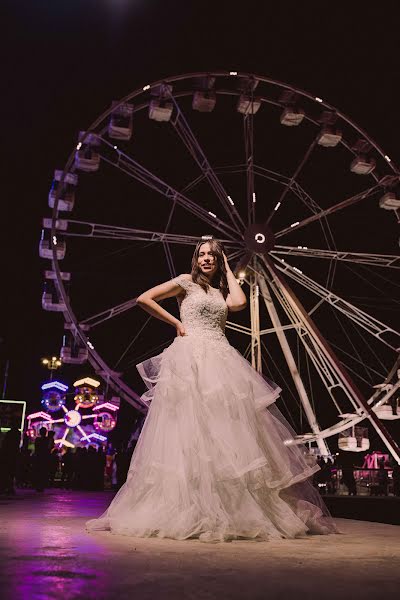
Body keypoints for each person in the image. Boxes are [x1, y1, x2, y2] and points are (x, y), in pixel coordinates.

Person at [87, 238, 337, 542]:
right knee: (188, 427)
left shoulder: (220, 291)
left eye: (212, 255)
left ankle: (229, 505)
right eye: (202, 254)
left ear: (218, 260)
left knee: (226, 429)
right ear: (195, 259)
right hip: (191, 355)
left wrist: (230, 269)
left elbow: (240, 303)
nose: (206, 259)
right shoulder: (185, 282)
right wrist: (176, 323)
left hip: (220, 356)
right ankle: (188, 504)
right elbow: (145, 299)